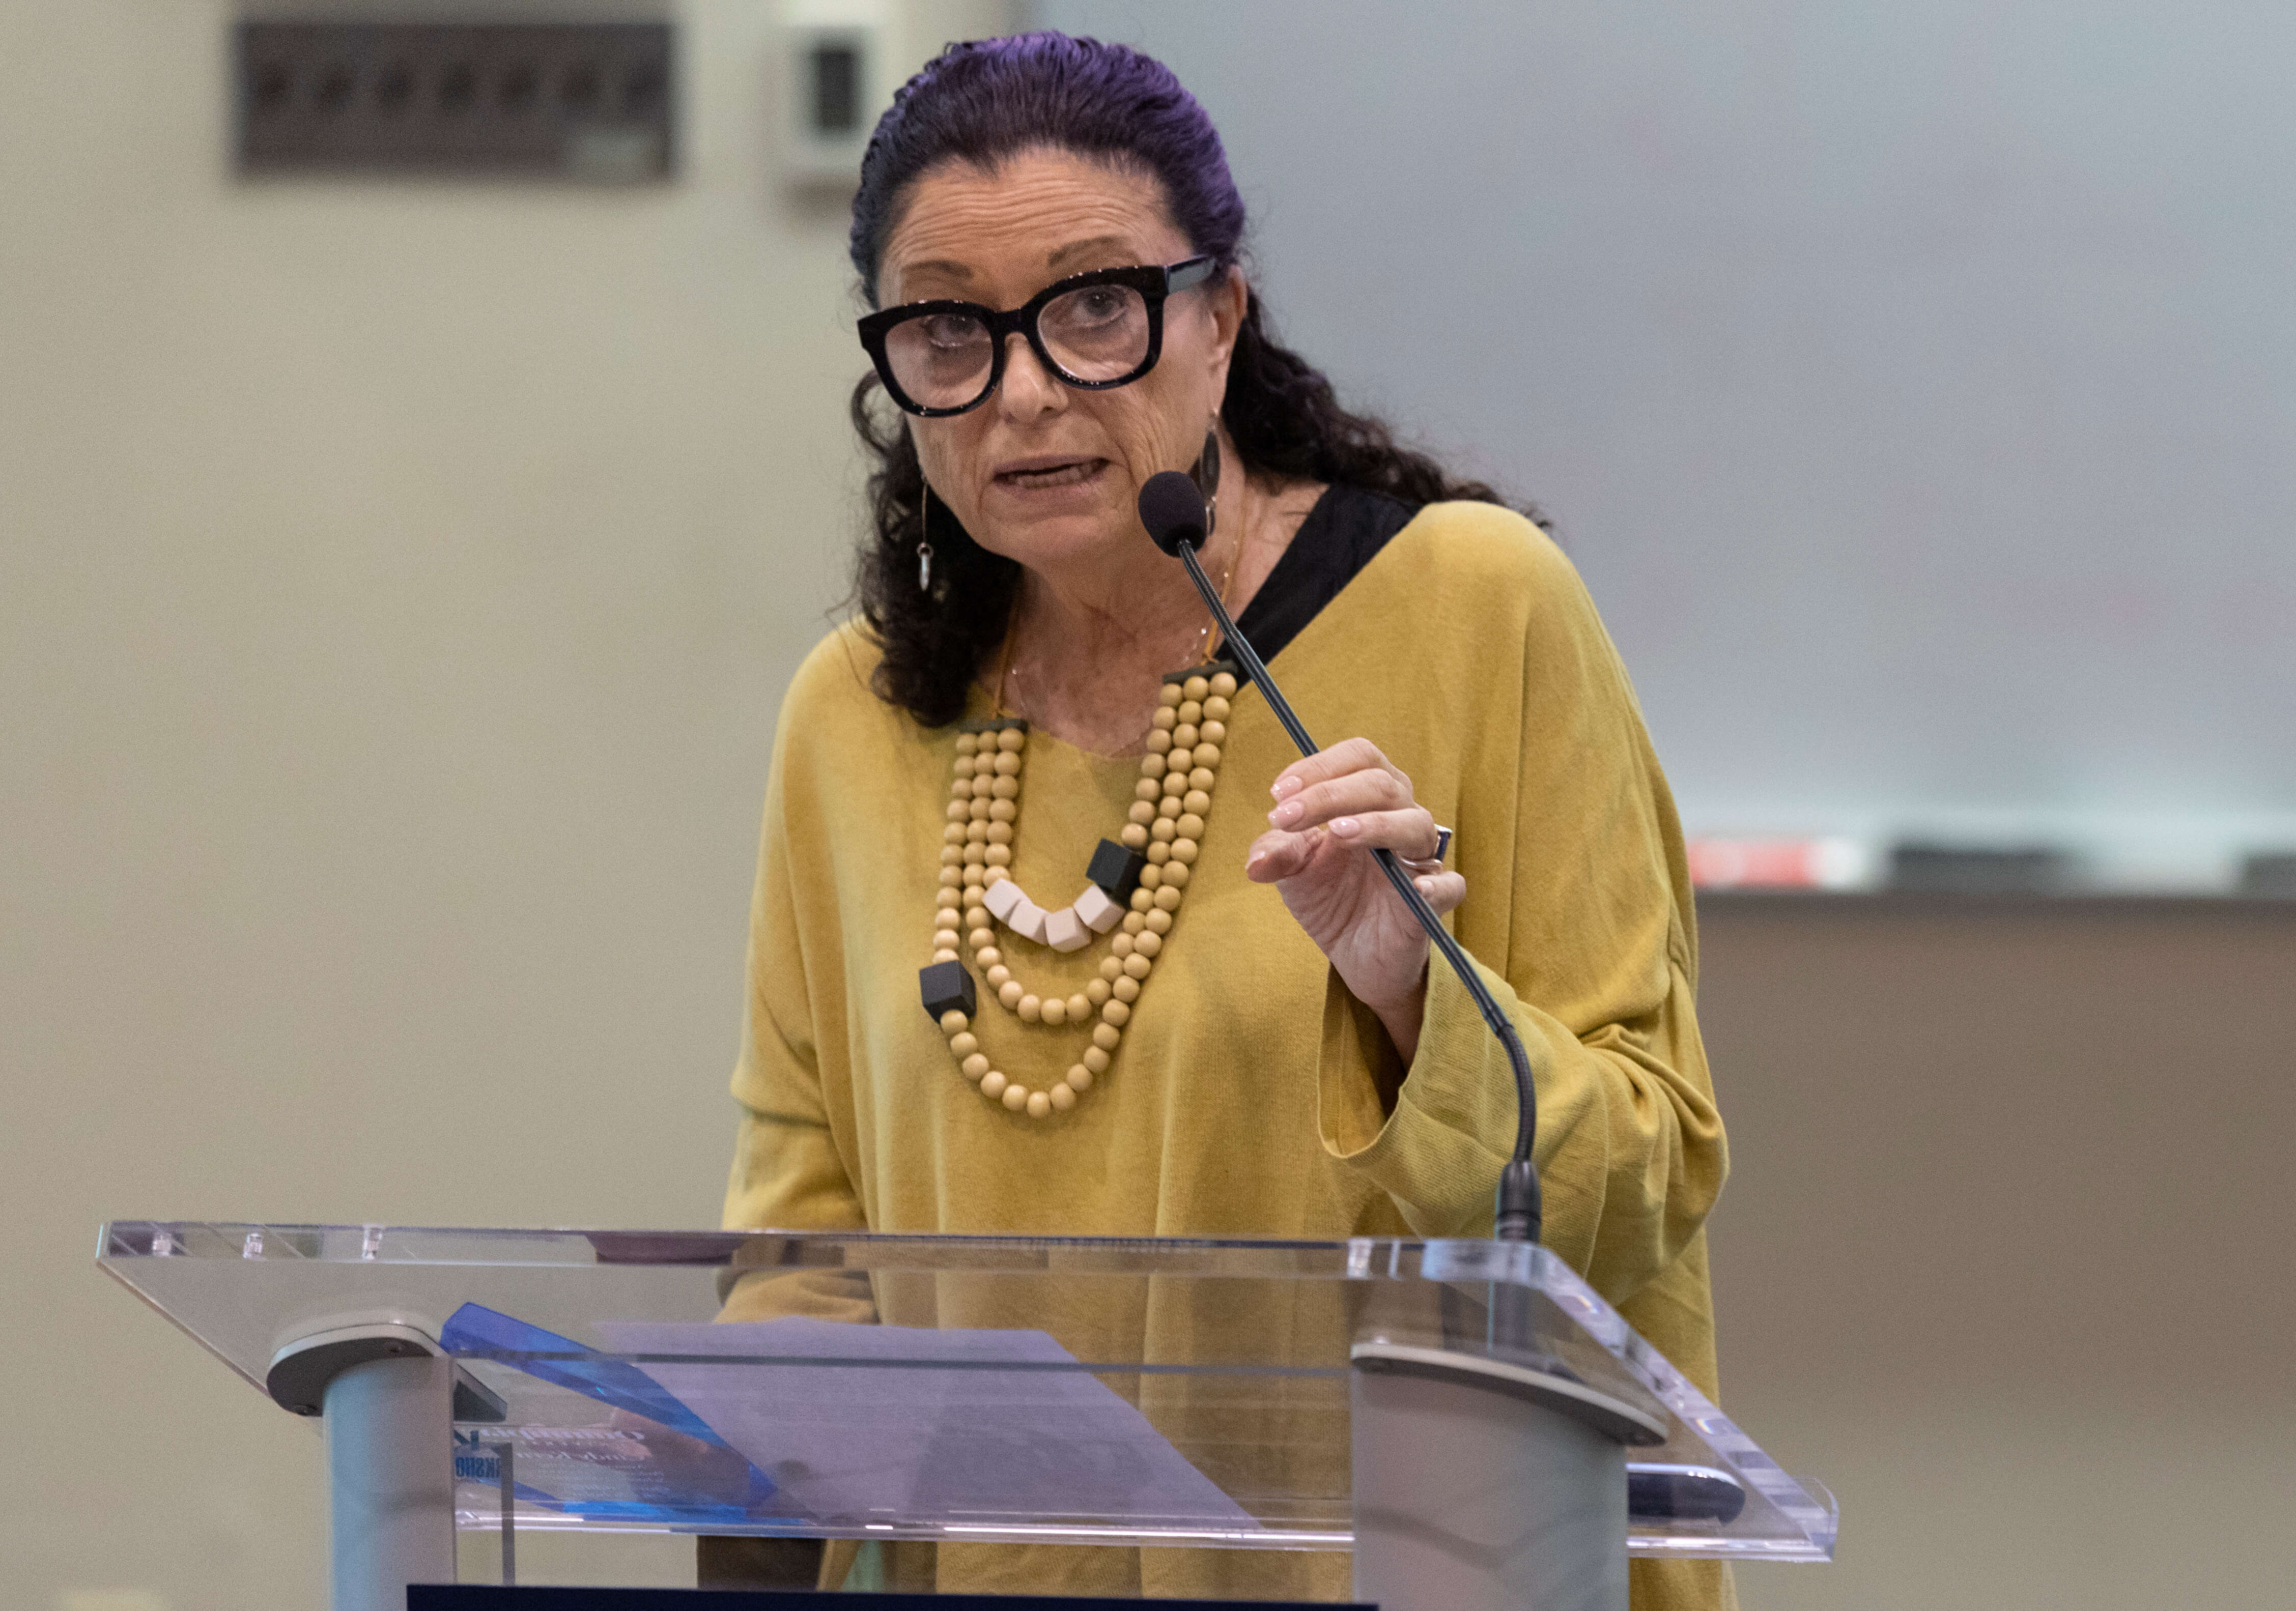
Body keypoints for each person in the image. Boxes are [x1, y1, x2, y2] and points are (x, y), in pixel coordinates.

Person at [715, 31, 1730, 1607]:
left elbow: (1648, 1177)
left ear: (1222, 318)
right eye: (949, 330)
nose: (1025, 391)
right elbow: (806, 1252)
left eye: (1095, 308)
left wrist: (1416, 999)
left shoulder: (1476, 609)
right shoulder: (853, 716)